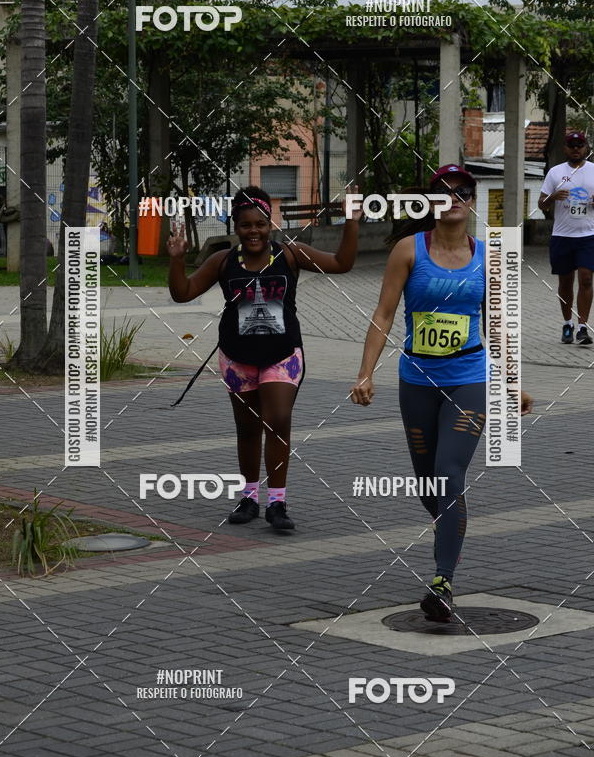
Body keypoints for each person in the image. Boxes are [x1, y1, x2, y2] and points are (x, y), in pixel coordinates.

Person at [351, 164, 533, 622]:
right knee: (429, 483)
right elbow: (385, 314)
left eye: (460, 192)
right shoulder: (407, 250)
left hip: (470, 378)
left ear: (472, 201)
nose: (451, 198)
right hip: (416, 381)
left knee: (449, 473)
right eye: (442, 191)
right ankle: (449, 528)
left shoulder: (489, 257)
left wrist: (511, 384)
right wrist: (365, 373)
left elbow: (500, 327)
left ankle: (442, 581)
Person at [168, 186, 361, 531]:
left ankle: (277, 503)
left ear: (270, 224)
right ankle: (249, 498)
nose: (253, 231)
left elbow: (342, 264)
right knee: (247, 429)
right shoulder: (223, 261)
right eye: (245, 225)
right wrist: (177, 258)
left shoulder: (290, 254)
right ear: (236, 227)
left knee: (278, 420)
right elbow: (182, 293)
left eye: (260, 224)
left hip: (281, 356)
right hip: (237, 357)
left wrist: (351, 221)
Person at [538, 131, 594, 345]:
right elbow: (541, 204)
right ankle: (567, 323)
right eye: (572, 145)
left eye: (580, 145)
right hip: (562, 235)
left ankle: (582, 327)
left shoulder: (593, 171)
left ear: (586, 148)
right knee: (565, 282)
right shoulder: (555, 172)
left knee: (587, 278)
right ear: (565, 148)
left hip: (589, 235)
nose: (576, 148)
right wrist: (552, 197)